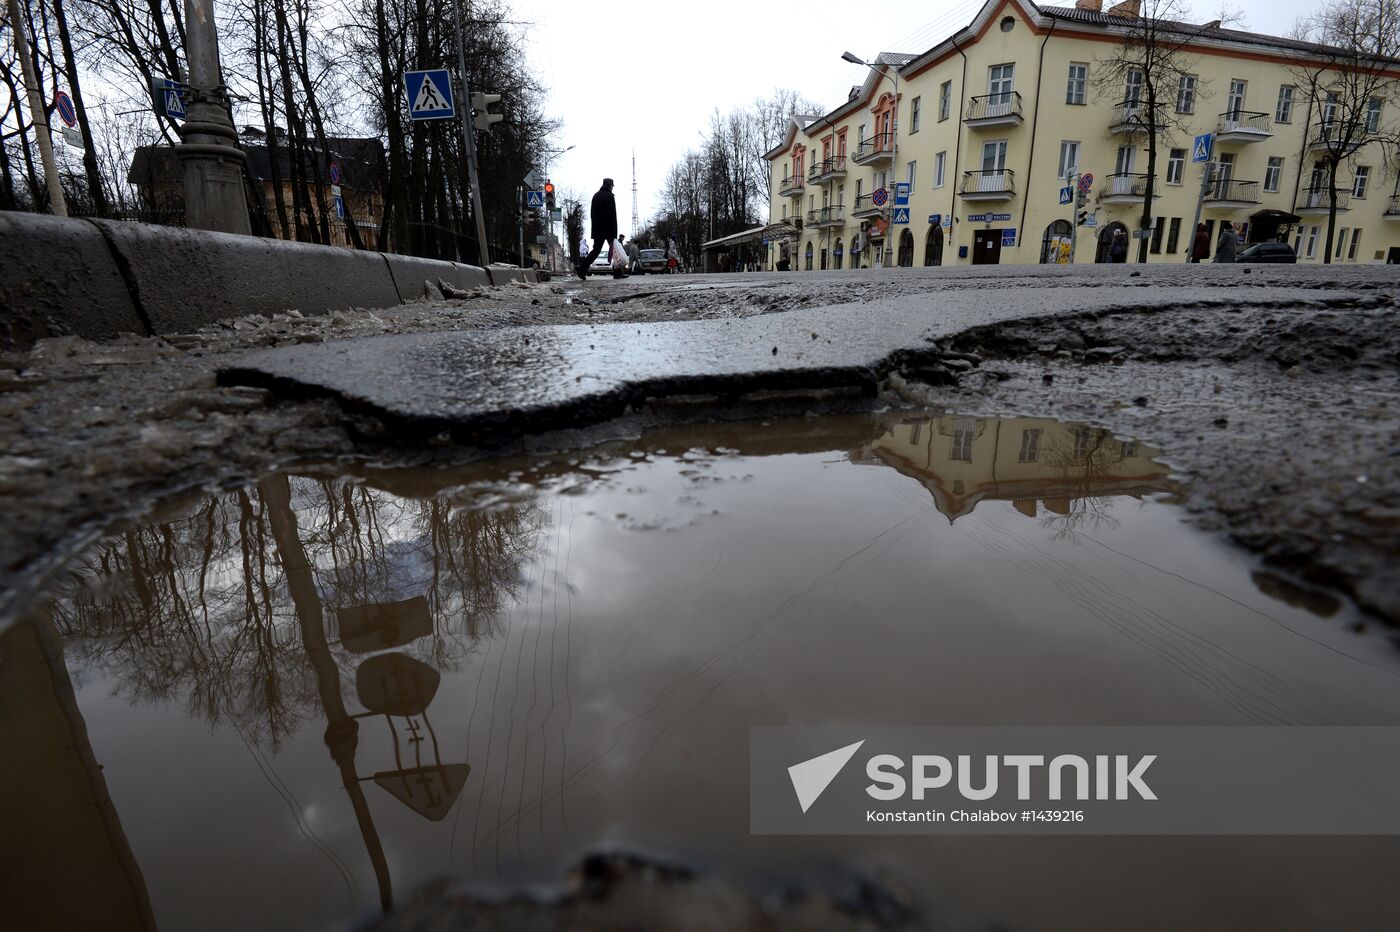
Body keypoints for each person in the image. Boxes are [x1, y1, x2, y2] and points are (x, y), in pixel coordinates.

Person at [577, 178, 618, 279]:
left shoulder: (596, 195)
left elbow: (593, 214)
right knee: (615, 250)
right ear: (610, 186)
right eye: (612, 186)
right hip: (608, 229)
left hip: (598, 229)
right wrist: (614, 232)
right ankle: (618, 272)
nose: (612, 187)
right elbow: (612, 216)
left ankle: (582, 269)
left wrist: (595, 228)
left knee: (596, 250)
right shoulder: (609, 196)